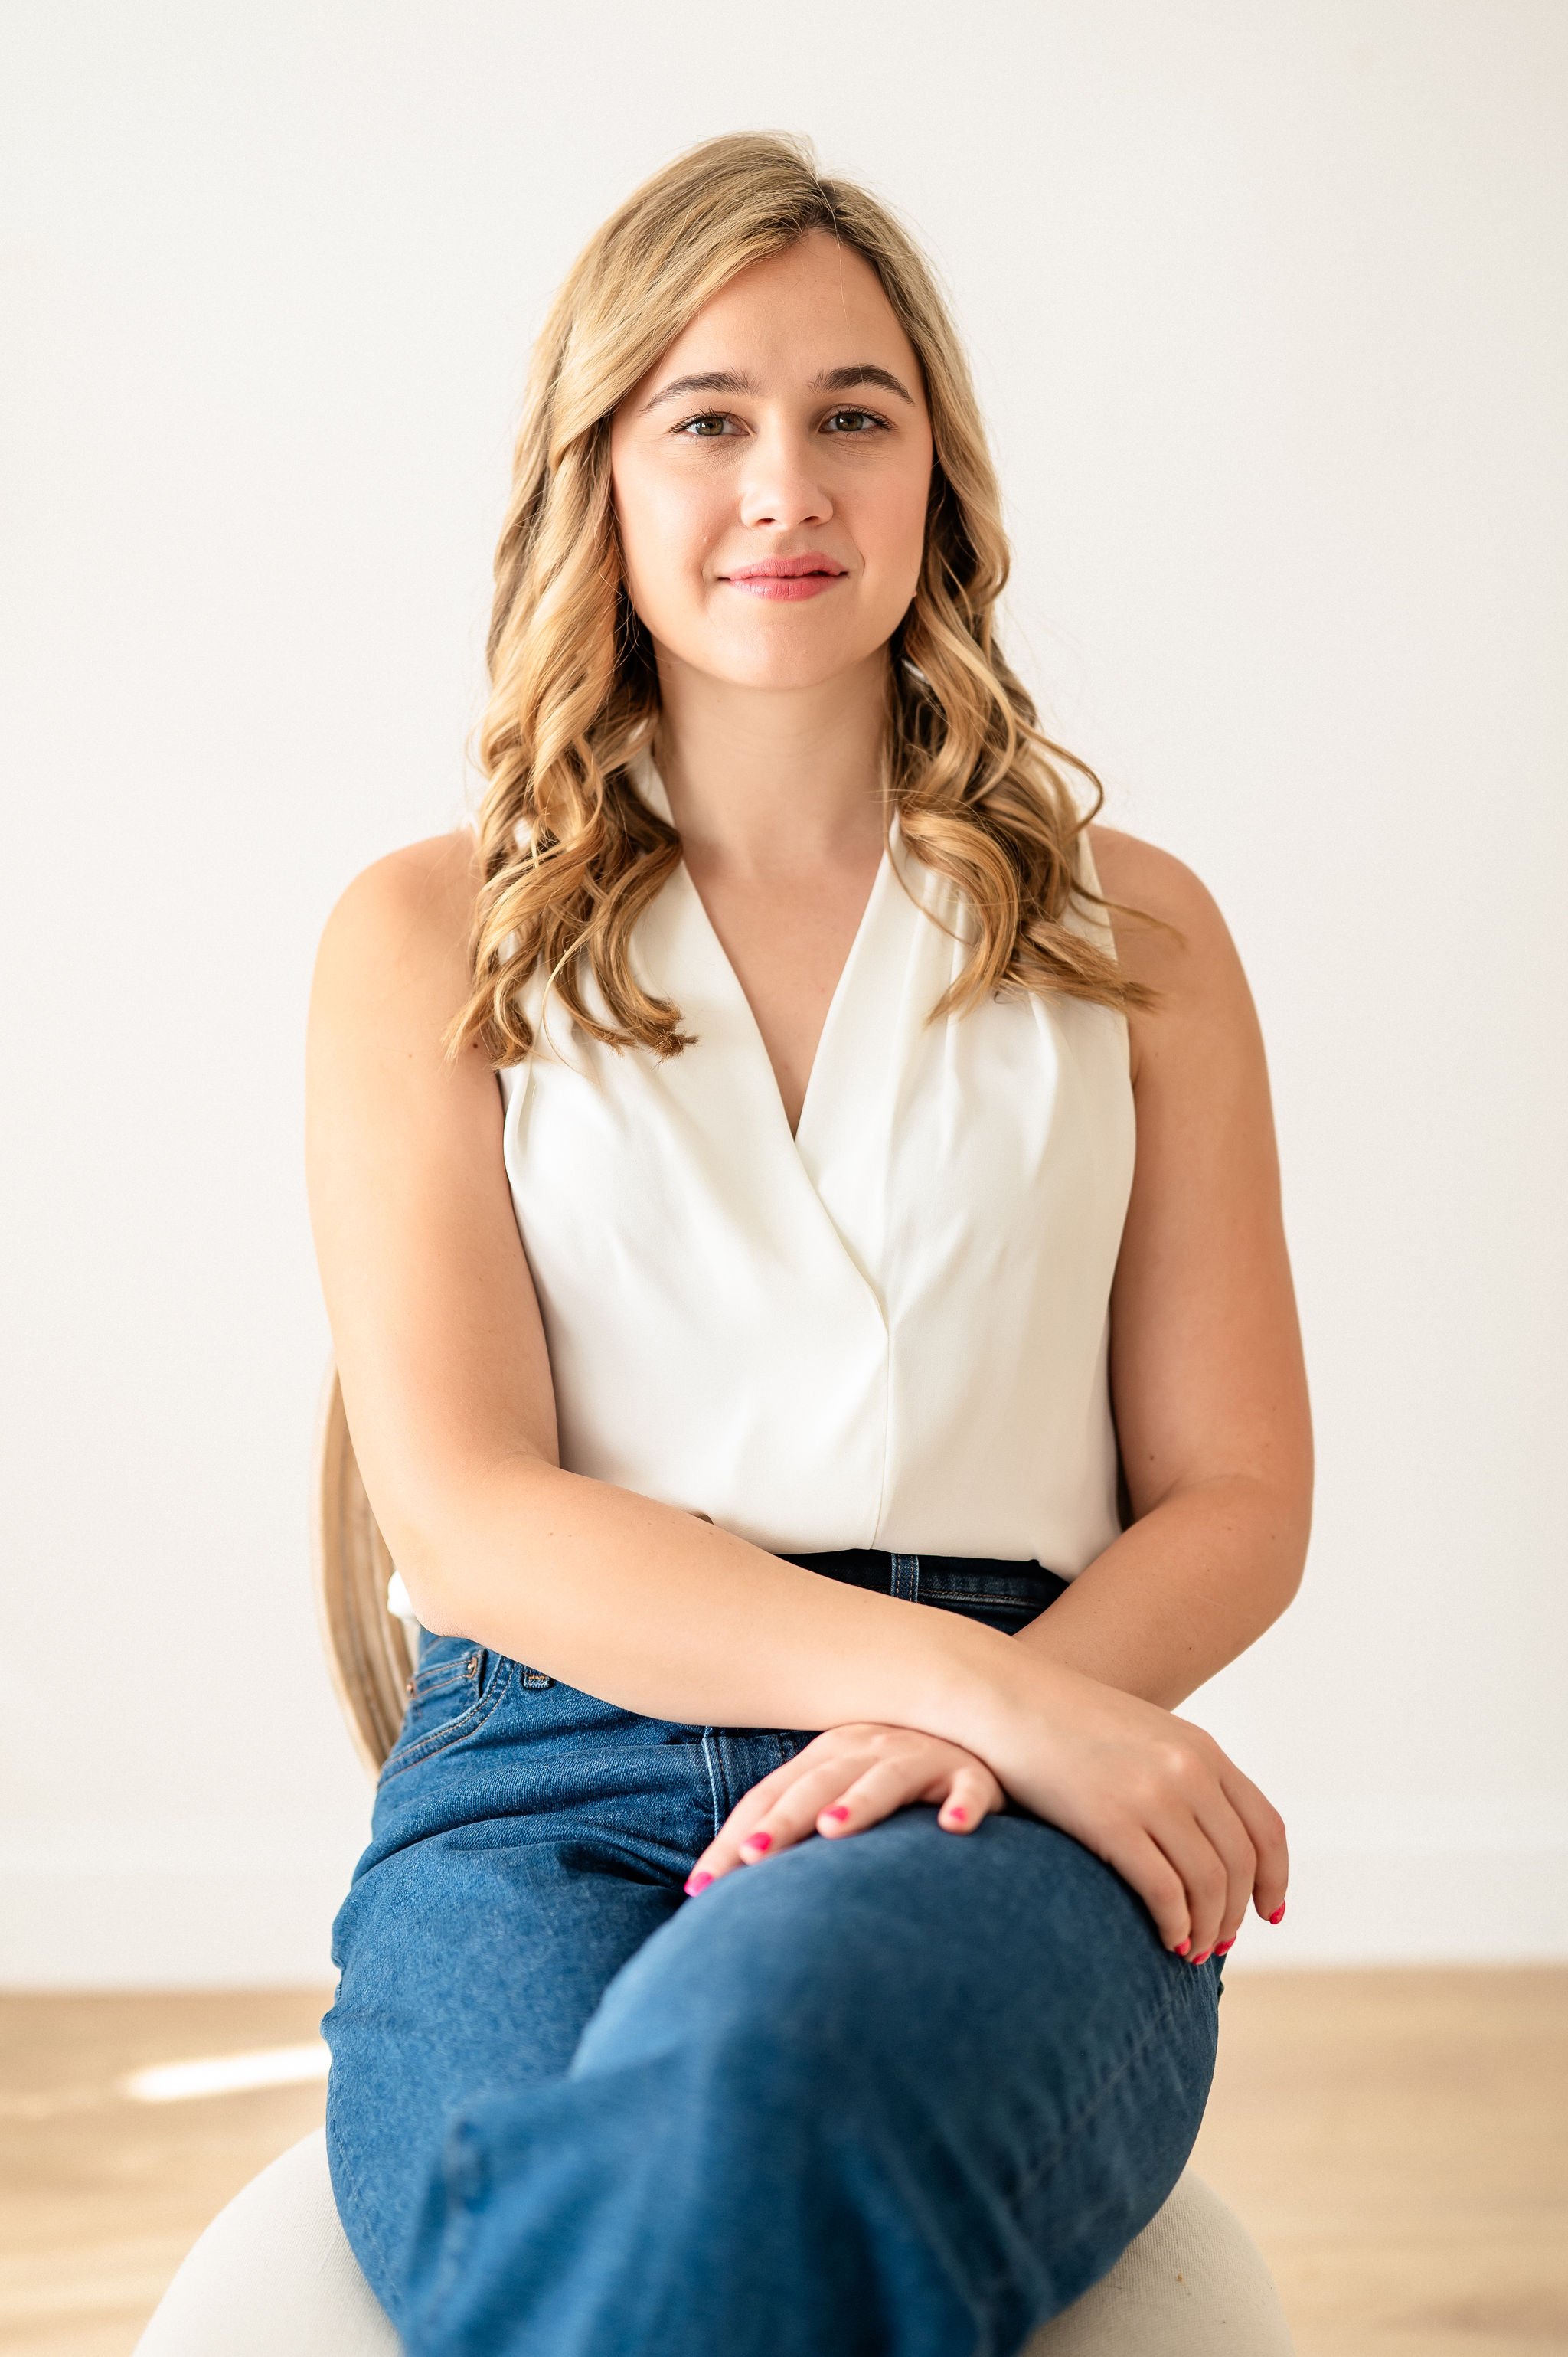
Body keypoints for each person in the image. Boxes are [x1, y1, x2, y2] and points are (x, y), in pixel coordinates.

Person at [305, 131, 1312, 2357]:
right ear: (603, 479)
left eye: (855, 413)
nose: (788, 484)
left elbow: (1239, 1495)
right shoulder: (419, 940)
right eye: (708, 418)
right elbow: (464, 1515)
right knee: (561, 2193)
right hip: (537, 1792)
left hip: (993, 1804)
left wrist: (1002, 1722)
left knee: (755, 2083)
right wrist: (965, 1692)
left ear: (937, 475)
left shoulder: (1136, 937)